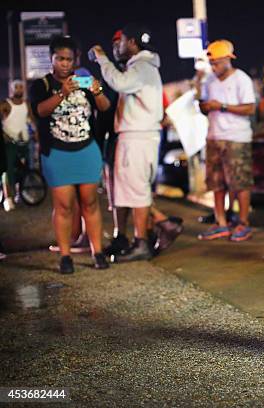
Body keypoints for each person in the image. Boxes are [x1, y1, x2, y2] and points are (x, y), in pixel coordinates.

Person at [29, 35, 111, 273]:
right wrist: (62, 93)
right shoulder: (42, 85)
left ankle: (97, 251)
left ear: (75, 60)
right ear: (52, 59)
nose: (64, 63)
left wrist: (97, 91)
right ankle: (65, 255)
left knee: (90, 202)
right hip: (57, 153)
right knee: (64, 206)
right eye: (60, 59)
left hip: (86, 150)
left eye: (68, 59)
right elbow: (40, 111)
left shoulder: (83, 81)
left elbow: (104, 108)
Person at [91, 24, 164, 262]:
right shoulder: (144, 66)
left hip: (137, 136)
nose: (118, 46)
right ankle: (139, 239)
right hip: (141, 136)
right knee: (134, 190)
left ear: (132, 42)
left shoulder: (141, 67)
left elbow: (119, 82)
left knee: (137, 191)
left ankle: (141, 242)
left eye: (121, 41)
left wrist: (102, 59)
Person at [197, 40, 256, 242]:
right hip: (214, 137)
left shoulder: (242, 79)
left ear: (227, 60)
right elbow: (204, 106)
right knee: (216, 183)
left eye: (216, 63)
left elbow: (250, 108)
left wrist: (221, 106)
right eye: (211, 63)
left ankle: (243, 223)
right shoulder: (209, 81)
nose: (213, 67)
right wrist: (205, 105)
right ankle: (221, 223)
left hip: (237, 138)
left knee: (240, 183)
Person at [1, 80, 37, 212]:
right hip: (9, 143)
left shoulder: (26, 104)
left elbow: (31, 120)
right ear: (11, 89)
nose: (19, 89)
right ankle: (8, 198)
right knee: (8, 171)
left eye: (21, 87)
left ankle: (20, 194)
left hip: (24, 142)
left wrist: (36, 133)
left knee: (24, 170)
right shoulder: (5, 104)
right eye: (16, 87)